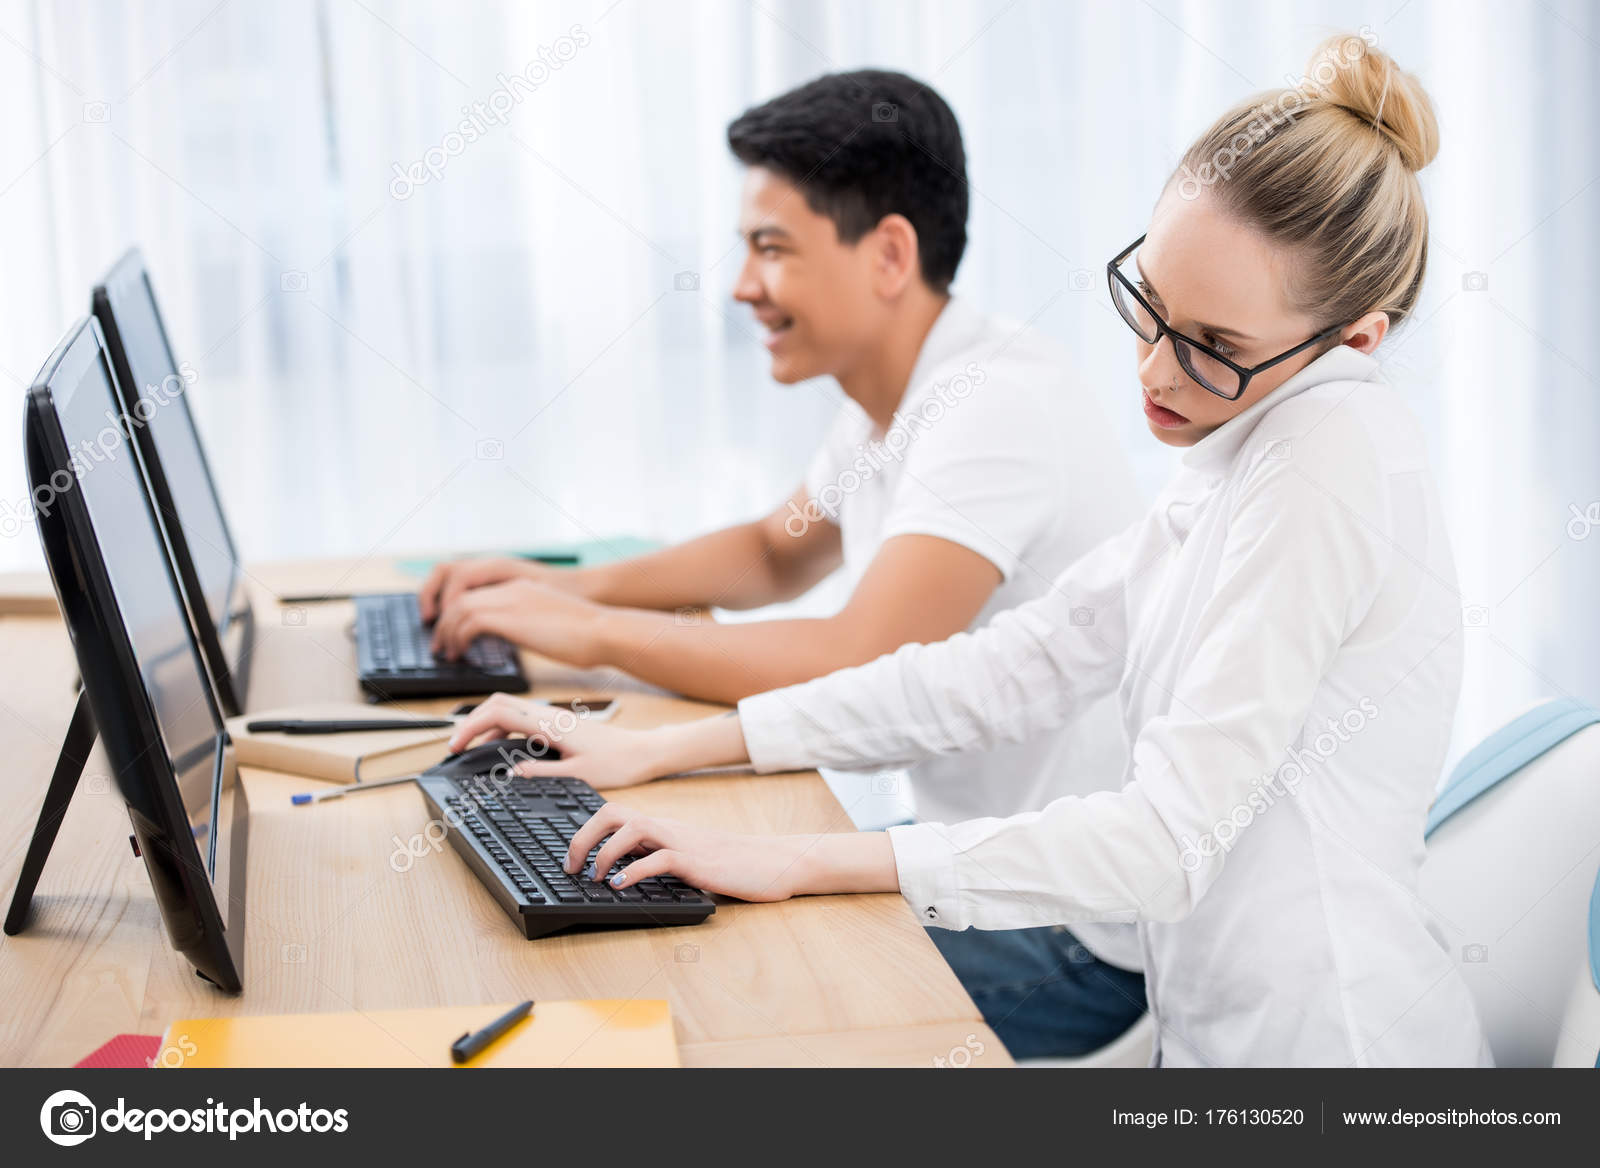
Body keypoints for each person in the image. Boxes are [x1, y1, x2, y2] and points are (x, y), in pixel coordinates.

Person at [447, 34, 1493, 1067]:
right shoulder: (1236, 455)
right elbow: (1013, 664)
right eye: (1150, 310)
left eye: (1212, 347)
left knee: (757, 1009)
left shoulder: (1325, 468)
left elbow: (1163, 841)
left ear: (1354, 342)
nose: (1155, 371)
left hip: (1341, 1061)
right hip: (1212, 1029)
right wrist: (664, 747)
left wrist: (796, 855)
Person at [423, 70, 1148, 1056]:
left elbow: (859, 651)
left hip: (1065, 936)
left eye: (771, 248)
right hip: (969, 873)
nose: (740, 285)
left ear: (889, 254)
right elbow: (775, 551)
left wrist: (590, 634)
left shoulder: (990, 408)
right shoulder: (890, 402)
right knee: (663, 927)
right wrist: (565, 587)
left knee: (711, 995)